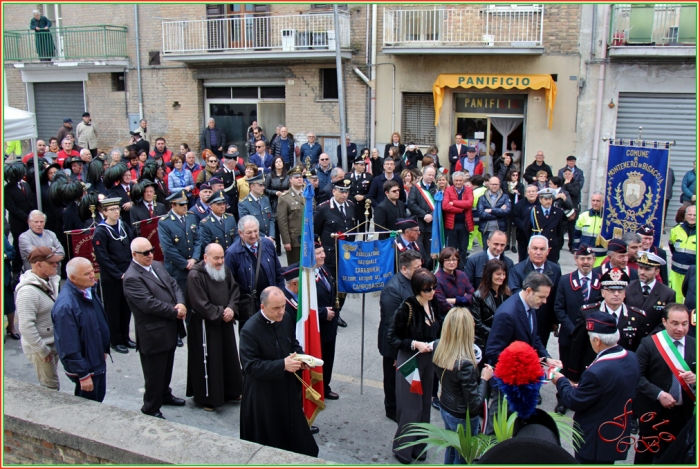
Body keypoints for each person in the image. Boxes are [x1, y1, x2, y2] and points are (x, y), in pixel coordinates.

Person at [238, 286, 319, 457]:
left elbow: (293, 343)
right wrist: (282, 365)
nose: (281, 312)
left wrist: (301, 359)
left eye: (283, 306)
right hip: (263, 398)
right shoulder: (249, 330)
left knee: (303, 446)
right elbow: (250, 366)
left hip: (286, 390)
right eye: (276, 308)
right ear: (263, 307)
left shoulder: (286, 318)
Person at [552, 312, 640, 464]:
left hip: (594, 440)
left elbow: (573, 401)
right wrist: (585, 388)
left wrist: (560, 381)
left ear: (597, 341)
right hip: (616, 433)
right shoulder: (631, 357)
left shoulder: (596, 372)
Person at [123, 237, 187, 419]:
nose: (150, 255)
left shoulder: (157, 265)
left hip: (169, 328)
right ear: (134, 255)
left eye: (151, 250)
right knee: (154, 373)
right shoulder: (132, 278)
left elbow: (173, 284)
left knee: (166, 368)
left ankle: (164, 394)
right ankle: (150, 407)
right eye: (145, 253)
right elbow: (148, 304)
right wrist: (175, 312)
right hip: (153, 333)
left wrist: (181, 303)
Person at [387, 269, 442, 464]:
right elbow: (392, 337)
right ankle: (403, 450)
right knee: (411, 407)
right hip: (410, 360)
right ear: (418, 289)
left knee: (425, 404)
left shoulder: (433, 303)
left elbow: (440, 326)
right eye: (428, 290)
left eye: (434, 288)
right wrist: (414, 344)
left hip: (428, 360)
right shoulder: (407, 307)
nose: (432, 292)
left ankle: (419, 448)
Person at [634, 303, 696, 463]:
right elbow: (636, 376)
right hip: (654, 412)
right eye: (675, 323)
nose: (680, 329)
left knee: (678, 455)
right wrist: (659, 394)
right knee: (646, 455)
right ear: (664, 321)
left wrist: (696, 379)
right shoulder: (649, 344)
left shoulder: (695, 344)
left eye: (684, 324)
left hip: (684, 414)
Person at [186, 243, 242, 411]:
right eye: (216, 258)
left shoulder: (225, 270)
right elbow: (199, 303)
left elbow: (234, 290)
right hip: (205, 326)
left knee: (228, 358)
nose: (219, 262)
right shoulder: (195, 275)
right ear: (205, 258)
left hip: (224, 322)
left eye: (222, 257)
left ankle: (231, 390)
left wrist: (231, 308)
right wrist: (220, 313)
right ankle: (209, 398)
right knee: (211, 361)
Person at [433, 307, 492, 464]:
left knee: (451, 449)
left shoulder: (438, 346)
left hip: (445, 407)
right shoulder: (465, 364)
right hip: (462, 416)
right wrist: (485, 379)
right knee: (463, 458)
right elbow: (474, 405)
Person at [568, 268, 646, 382]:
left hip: (622, 373)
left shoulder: (637, 316)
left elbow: (638, 349)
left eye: (620, 291)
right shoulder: (588, 313)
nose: (616, 294)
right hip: (593, 371)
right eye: (611, 290)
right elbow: (577, 346)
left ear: (625, 293)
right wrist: (573, 376)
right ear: (603, 292)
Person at [52, 257, 110, 402]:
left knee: (98, 398)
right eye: (86, 274)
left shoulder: (88, 289)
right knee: (88, 404)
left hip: (96, 360)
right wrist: (83, 375)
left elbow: (96, 323)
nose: (92, 275)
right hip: (86, 369)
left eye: (92, 271)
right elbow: (68, 344)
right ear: (73, 278)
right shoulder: (66, 306)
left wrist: (103, 349)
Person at [552, 245, 601, 414]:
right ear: (575, 260)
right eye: (582, 259)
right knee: (565, 367)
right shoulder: (565, 280)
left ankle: (584, 399)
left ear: (594, 260)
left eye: (588, 259)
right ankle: (563, 399)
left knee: (588, 369)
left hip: (592, 338)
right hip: (570, 335)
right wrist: (574, 330)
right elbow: (558, 308)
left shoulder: (601, 281)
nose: (585, 262)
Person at [379, 250, 422, 422]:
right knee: (393, 380)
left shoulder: (414, 282)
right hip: (395, 346)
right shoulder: (393, 289)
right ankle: (392, 410)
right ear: (404, 269)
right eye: (417, 267)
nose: (420, 270)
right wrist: (397, 352)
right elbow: (392, 325)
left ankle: (408, 407)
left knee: (409, 378)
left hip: (410, 341)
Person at [224, 216, 285, 331]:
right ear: (240, 233)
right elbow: (228, 284)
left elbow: (278, 273)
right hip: (249, 307)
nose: (253, 235)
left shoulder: (267, 244)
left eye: (256, 231)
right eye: (249, 232)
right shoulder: (232, 253)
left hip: (271, 303)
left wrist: (280, 293)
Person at [92, 197, 136, 354]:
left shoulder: (123, 226)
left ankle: (125, 336)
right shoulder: (101, 232)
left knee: (126, 308)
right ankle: (115, 340)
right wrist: (119, 274)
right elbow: (103, 258)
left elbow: (132, 246)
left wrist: (131, 270)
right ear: (104, 212)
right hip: (112, 277)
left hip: (128, 273)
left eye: (117, 209)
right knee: (113, 309)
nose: (116, 212)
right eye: (112, 210)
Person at [16, 247, 62, 390]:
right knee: (50, 386)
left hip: (51, 343)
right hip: (41, 348)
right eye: (51, 263)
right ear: (38, 264)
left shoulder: (48, 280)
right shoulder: (27, 293)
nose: (56, 265)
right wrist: (42, 350)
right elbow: (25, 326)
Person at [508, 235, 561, 349]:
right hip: (523, 321)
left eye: (542, 249)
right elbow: (516, 296)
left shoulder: (555, 270)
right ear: (528, 250)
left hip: (544, 322)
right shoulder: (517, 270)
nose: (538, 252)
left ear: (548, 251)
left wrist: (554, 321)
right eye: (535, 248)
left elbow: (556, 297)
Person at [158, 190, 202, 320]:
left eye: (186, 204)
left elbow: (198, 239)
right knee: (179, 301)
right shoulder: (164, 222)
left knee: (194, 301)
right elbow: (168, 248)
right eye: (181, 204)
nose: (185, 206)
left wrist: (194, 258)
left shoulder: (190, 216)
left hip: (193, 266)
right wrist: (184, 263)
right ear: (173, 205)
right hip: (177, 269)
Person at [311, 239, 340, 399]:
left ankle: (325, 387)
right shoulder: (304, 275)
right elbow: (301, 304)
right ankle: (315, 390)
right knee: (316, 360)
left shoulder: (323, 270)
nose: (323, 255)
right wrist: (322, 313)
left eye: (323, 251)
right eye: (318, 253)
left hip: (329, 326)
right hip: (316, 326)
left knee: (328, 358)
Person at [626, 251, 676, 337]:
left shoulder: (668, 294)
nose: (642, 272)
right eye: (640, 268)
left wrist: (650, 340)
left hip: (654, 340)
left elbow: (666, 322)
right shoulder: (628, 288)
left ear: (657, 272)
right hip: (630, 337)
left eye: (647, 269)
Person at [4, 162, 37, 276]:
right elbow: (11, 207)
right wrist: (26, 218)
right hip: (18, 223)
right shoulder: (7, 189)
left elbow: (31, 199)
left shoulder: (25, 185)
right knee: (18, 247)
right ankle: (16, 270)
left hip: (30, 221)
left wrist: (33, 216)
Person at [471, 258, 510, 352]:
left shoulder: (507, 293)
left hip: (503, 340)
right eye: (498, 274)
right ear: (489, 275)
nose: (502, 277)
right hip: (484, 341)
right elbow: (478, 323)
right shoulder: (478, 295)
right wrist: (497, 332)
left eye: (504, 274)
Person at [277, 166, 312, 265]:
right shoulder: (285, 198)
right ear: (290, 180)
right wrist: (286, 241)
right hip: (295, 239)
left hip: (309, 237)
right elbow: (282, 221)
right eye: (296, 177)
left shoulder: (308, 194)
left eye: (301, 176)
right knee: (295, 268)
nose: (300, 179)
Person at [524, 188, 565, 263]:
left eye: (550, 199)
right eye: (546, 199)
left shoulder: (558, 213)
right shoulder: (533, 211)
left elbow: (560, 231)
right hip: (537, 247)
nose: (548, 201)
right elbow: (527, 229)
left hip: (551, 247)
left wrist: (558, 246)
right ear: (540, 200)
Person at [434, 247, 474, 318]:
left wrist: (454, 300)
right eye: (448, 260)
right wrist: (464, 299)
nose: (451, 262)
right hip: (447, 318)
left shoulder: (462, 274)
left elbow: (472, 295)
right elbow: (443, 305)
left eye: (454, 259)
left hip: (465, 314)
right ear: (442, 261)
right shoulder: (437, 279)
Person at [407, 166, 437, 257]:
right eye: (429, 175)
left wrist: (431, 215)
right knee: (418, 248)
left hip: (432, 224)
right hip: (419, 223)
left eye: (433, 175)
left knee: (429, 250)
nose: (431, 177)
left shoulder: (436, 188)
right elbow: (411, 204)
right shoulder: (416, 188)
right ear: (423, 175)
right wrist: (424, 215)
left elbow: (440, 206)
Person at [669, 204, 696, 303]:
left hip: (693, 274)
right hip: (676, 272)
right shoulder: (676, 229)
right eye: (689, 214)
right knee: (675, 299)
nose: (692, 217)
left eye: (695, 215)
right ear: (685, 215)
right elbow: (672, 246)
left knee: (690, 301)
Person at [574, 191, 605, 266]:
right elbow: (576, 235)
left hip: (601, 255)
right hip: (585, 254)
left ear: (603, 202)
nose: (595, 203)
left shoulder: (606, 217)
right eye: (593, 200)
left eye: (598, 201)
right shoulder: (583, 215)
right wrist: (575, 249)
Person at [239, 173, 273, 237]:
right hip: (255, 238)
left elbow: (271, 219)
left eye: (263, 185)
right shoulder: (243, 203)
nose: (263, 188)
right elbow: (247, 225)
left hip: (269, 238)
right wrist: (264, 237)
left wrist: (271, 236)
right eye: (260, 185)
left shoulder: (265, 199)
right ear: (252, 187)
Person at [477, 177, 511, 242]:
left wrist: (491, 211)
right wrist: (499, 212)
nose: (494, 186)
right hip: (486, 230)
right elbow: (481, 214)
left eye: (496, 184)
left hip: (500, 229)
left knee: (500, 251)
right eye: (492, 184)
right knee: (486, 251)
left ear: (499, 184)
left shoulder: (505, 197)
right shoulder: (482, 198)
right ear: (489, 184)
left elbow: (507, 211)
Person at [512, 184, 539, 261]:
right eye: (529, 191)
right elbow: (516, 218)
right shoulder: (519, 205)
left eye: (533, 191)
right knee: (523, 258)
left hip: (538, 235)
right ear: (525, 194)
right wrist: (525, 226)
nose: (531, 193)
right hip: (522, 235)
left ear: (537, 193)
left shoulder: (541, 204)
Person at [348, 156, 373, 234]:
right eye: (361, 165)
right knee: (352, 231)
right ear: (355, 166)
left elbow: (372, 192)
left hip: (364, 207)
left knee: (364, 231)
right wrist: (353, 196)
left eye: (364, 165)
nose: (363, 167)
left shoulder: (369, 177)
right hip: (352, 207)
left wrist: (364, 197)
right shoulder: (348, 176)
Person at [501, 169, 523, 252]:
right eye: (513, 175)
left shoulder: (520, 185)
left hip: (515, 208)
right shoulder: (505, 184)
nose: (515, 177)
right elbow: (502, 194)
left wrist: (519, 194)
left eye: (516, 175)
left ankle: (513, 245)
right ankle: (507, 244)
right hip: (507, 207)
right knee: (507, 227)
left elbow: (522, 197)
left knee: (514, 228)